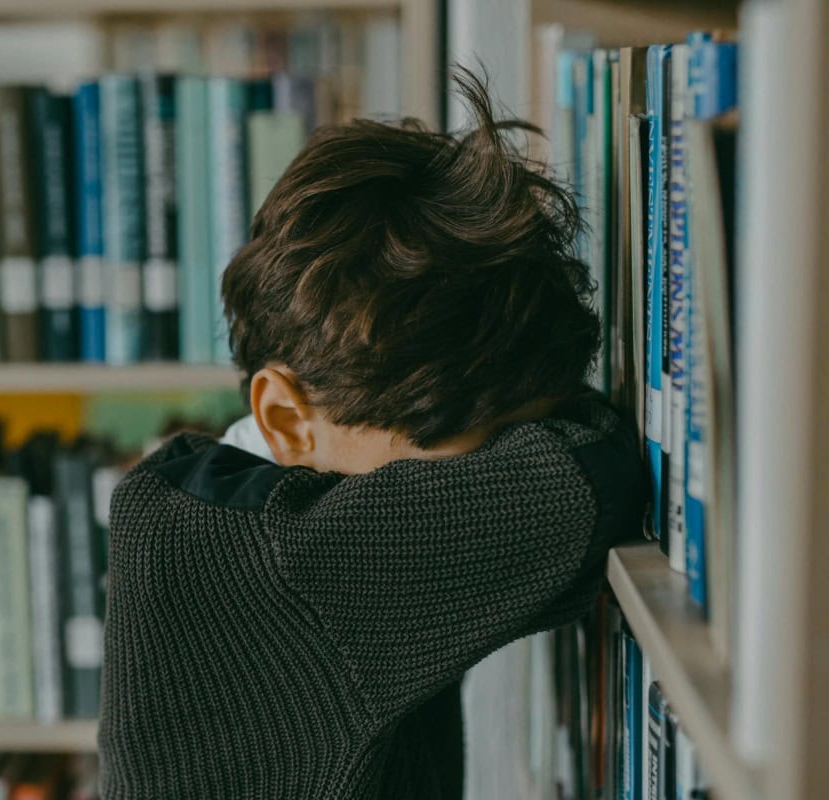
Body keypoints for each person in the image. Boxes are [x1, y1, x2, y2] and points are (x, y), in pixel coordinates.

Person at [97, 71, 647, 800]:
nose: (505, 465)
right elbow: (595, 483)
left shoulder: (195, 507)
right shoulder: (301, 562)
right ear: (287, 419)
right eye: (477, 444)